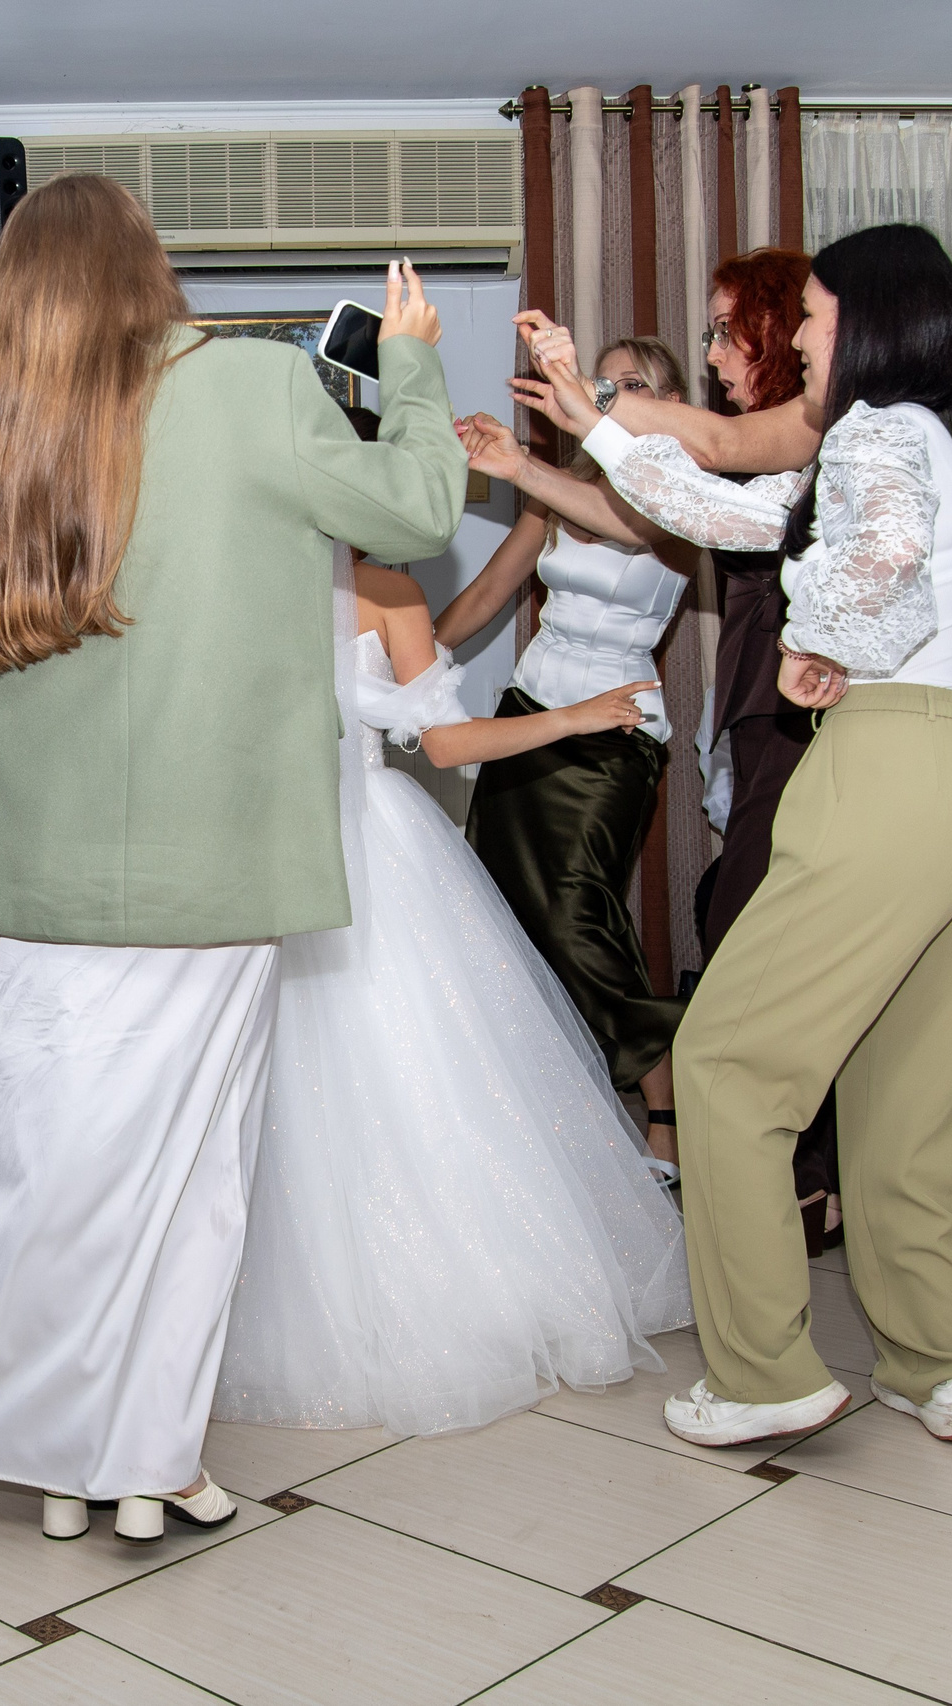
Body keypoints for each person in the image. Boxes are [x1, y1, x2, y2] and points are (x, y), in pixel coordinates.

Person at [0, 180, 470, 1543]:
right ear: (148, 270)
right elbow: (419, 510)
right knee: (190, 1176)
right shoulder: (249, 388)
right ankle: (126, 1450)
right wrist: (411, 363)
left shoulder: (12, 418)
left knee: (64, 1170)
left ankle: (103, 1456)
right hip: (214, 872)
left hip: (45, 886)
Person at [529, 223, 952, 1450]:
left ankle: (760, 1374)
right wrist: (596, 428)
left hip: (888, 767)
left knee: (724, 1071)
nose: (795, 334)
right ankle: (937, 1363)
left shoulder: (876, 433)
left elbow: (882, 558)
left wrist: (825, 644)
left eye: (808, 314)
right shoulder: (922, 443)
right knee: (903, 1104)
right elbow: (720, 510)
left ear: (862, 320)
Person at [216, 547, 689, 1438]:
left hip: (371, 846)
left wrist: (571, 719)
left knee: (407, 1062)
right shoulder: (233, 564)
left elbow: (445, 740)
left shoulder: (391, 594)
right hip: (268, 844)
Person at [510, 249, 848, 1250]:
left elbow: (681, 490)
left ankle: (784, 1168)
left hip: (780, 721)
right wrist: (571, 419)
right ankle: (797, 1172)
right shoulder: (766, 441)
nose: (714, 353)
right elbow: (696, 450)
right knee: (742, 930)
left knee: (751, 943)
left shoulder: (798, 449)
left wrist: (587, 408)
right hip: (752, 717)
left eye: (722, 331)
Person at [434, 336, 696, 1171]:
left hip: (616, 729)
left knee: (579, 915)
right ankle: (537, 1103)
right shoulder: (556, 496)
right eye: (603, 382)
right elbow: (488, 594)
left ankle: (670, 1102)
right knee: (505, 916)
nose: (613, 394)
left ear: (667, 403)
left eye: (634, 386)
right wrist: (408, 657)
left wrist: (529, 470)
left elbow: (624, 530)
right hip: (530, 716)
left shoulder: (680, 498)